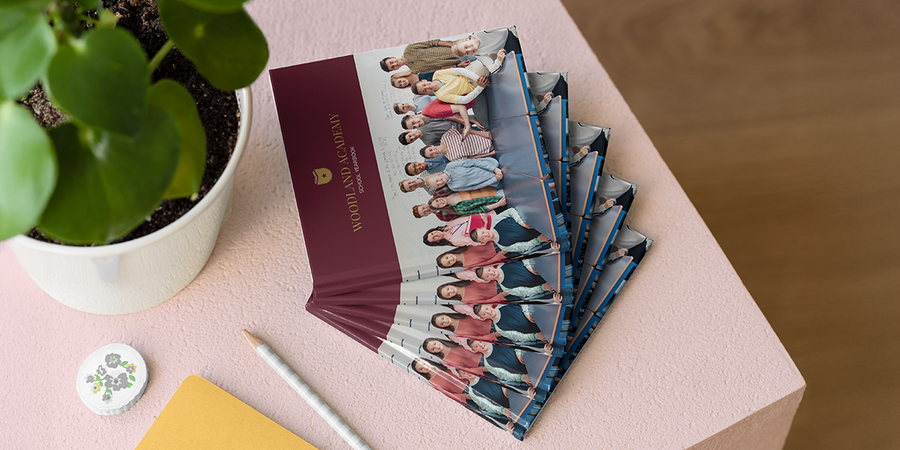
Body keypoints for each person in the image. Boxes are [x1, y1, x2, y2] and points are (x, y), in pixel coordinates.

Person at [470, 207, 555, 254]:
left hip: (536, 217)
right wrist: (539, 239)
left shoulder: (496, 221)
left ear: (483, 228)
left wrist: (521, 223)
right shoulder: (503, 246)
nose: (485, 235)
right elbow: (524, 246)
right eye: (483, 238)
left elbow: (510, 211)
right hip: (542, 233)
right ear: (483, 242)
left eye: (483, 232)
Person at [473, 304, 552, 346]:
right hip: (538, 332)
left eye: (486, 309)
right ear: (482, 317)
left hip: (542, 317)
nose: (488, 312)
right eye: (484, 313)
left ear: (488, 306)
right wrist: (536, 336)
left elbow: (523, 302)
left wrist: (527, 313)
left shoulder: (502, 304)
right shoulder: (500, 329)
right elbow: (519, 337)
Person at [380, 40, 471, 74]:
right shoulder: (414, 70)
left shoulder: (409, 49)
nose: (395, 64)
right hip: (456, 61)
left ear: (392, 57)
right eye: (393, 67)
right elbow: (438, 68)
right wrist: (458, 66)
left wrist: (454, 46)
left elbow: (433, 42)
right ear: (395, 69)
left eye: (392, 62)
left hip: (454, 48)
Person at [476, 260, 554, 299]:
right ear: (487, 280)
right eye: (487, 275)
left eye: (489, 270)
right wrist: (543, 287)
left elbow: (523, 256)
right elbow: (526, 292)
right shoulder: (506, 288)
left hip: (543, 265)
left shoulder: (504, 263)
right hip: (544, 283)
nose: (491, 273)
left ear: (490, 267)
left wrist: (529, 266)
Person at [467, 340, 533, 386]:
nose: (481, 345)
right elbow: (506, 376)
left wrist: (519, 353)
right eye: (477, 346)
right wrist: (522, 377)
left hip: (531, 359)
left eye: (480, 342)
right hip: (526, 375)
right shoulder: (488, 364)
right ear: (474, 350)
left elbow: (515, 342)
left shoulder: (497, 342)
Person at [423, 158, 503, 192]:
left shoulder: (451, 166)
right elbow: (475, 186)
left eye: (437, 180)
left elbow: (475, 162)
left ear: (435, 175)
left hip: (495, 165)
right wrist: (494, 179)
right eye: (437, 185)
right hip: (496, 180)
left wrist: (494, 169)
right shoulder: (453, 187)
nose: (440, 183)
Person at [420, 128, 494, 162]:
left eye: (430, 150)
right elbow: (472, 158)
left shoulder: (445, 137)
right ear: (434, 157)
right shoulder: (452, 158)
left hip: (488, 135)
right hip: (490, 149)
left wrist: (484, 134)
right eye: (432, 155)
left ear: (431, 146)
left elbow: (465, 130)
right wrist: (490, 154)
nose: (434, 152)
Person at [423, 212, 495, 247]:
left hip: (490, 214)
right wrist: (485, 222)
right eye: (434, 238)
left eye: (432, 233)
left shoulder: (448, 224)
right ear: (437, 242)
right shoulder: (455, 241)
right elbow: (480, 242)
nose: (435, 234)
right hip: (493, 227)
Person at [428, 192, 505, 216]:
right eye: (438, 205)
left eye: (437, 201)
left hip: (494, 185)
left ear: (438, 197)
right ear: (441, 208)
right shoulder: (459, 209)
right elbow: (481, 209)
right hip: (496, 198)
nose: (440, 202)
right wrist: (498, 204)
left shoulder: (453, 189)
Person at [436, 280, 510, 304]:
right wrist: (502, 295)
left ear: (448, 284)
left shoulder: (463, 280)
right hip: (500, 294)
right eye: (449, 294)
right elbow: (485, 302)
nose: (451, 291)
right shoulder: (464, 300)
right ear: (450, 298)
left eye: (448, 288)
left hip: (497, 280)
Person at [436, 244, 509, 269]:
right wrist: (501, 254)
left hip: (494, 241)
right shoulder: (465, 265)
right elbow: (487, 263)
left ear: (446, 254)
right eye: (449, 262)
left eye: (447, 257)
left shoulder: (461, 246)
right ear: (451, 265)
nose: (450, 259)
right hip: (500, 253)